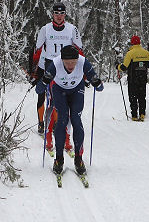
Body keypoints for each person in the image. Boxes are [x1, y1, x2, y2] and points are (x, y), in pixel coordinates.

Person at [35, 45, 103, 175]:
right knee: (62, 119)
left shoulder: (83, 62)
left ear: (78, 59)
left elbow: (98, 84)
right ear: (62, 60)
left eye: (73, 62)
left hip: (77, 90)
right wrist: (43, 82)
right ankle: (59, 158)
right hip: (59, 90)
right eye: (67, 63)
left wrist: (97, 82)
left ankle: (78, 159)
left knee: (76, 120)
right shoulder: (55, 64)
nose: (71, 65)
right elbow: (39, 88)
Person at [31, 2, 82, 153]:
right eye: (56, 13)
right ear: (52, 14)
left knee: (67, 104)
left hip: (67, 68)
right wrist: (34, 73)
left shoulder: (72, 29)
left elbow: (80, 50)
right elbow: (37, 51)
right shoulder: (45, 29)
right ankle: (47, 134)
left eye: (62, 14)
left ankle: (65, 137)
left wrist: (84, 73)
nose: (59, 16)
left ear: (65, 14)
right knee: (51, 102)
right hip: (50, 68)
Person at [117, 35, 149, 121]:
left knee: (133, 97)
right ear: (139, 43)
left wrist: (117, 66)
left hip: (133, 80)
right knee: (142, 97)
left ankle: (134, 115)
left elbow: (124, 67)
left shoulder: (130, 54)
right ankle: (142, 114)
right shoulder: (146, 53)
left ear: (132, 43)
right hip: (143, 79)